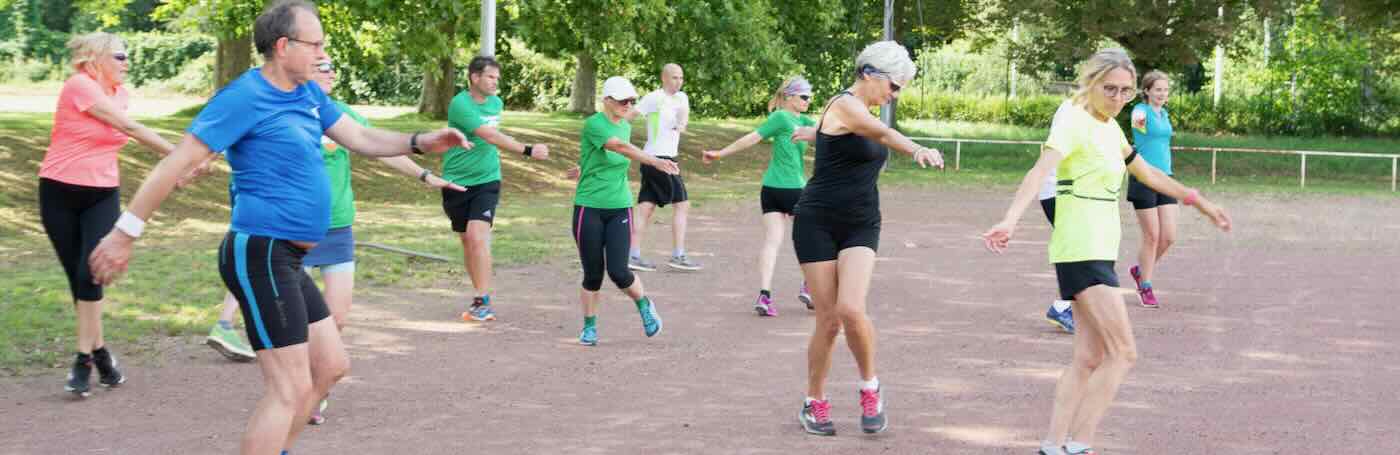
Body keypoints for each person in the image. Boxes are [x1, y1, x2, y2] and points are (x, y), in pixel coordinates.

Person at [87, 1, 470, 453]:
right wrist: (124, 232)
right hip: (260, 253)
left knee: (330, 366)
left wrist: (421, 141)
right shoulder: (244, 97)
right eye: (316, 44)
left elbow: (362, 137)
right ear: (284, 46)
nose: (323, 54)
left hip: (288, 257)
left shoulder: (308, 93)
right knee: (288, 388)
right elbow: (176, 163)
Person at [980, 49, 1231, 455]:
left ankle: (1053, 445)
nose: (1117, 97)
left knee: (1089, 356)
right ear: (1091, 83)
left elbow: (1146, 172)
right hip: (1081, 248)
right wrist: (1010, 219)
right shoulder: (1074, 121)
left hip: (1096, 248)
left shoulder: (1110, 127)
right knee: (1124, 353)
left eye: (1125, 91)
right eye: (1109, 88)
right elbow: (1039, 171)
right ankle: (1079, 445)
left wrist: (1197, 200)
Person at [792, 41, 944, 436]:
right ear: (869, 74)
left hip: (861, 222)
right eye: (893, 87)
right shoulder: (844, 104)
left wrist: (813, 134)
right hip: (817, 221)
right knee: (827, 320)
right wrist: (916, 148)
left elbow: (848, 137)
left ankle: (870, 387)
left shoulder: (854, 113)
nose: (894, 96)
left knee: (851, 309)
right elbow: (876, 131)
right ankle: (814, 400)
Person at [39, 31, 177, 397]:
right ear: (95, 58)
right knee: (79, 281)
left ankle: (82, 360)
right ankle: (101, 354)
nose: (126, 62)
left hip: (102, 193)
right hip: (58, 192)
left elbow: (120, 131)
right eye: (119, 56)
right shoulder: (78, 86)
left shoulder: (121, 95)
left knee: (92, 272)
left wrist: (174, 163)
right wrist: (178, 157)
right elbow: (128, 128)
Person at [570, 76, 677, 346]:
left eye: (631, 100)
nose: (627, 105)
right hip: (589, 208)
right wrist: (654, 161)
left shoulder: (625, 127)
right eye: (622, 101)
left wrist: (584, 166)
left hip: (619, 207)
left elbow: (613, 153)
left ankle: (644, 305)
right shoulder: (594, 123)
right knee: (593, 273)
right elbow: (617, 147)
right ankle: (589, 326)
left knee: (619, 271)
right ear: (606, 101)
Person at [442, 55, 551, 322]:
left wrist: (525, 150)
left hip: (487, 180)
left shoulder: (496, 103)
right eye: (490, 77)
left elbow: (493, 139)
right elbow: (488, 135)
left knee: (477, 236)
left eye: (497, 78)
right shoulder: (460, 104)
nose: (495, 83)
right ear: (474, 77)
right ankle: (478, 295)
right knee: (467, 242)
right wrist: (527, 149)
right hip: (456, 180)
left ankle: (482, 299)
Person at [702, 76, 817, 316]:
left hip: (771, 189)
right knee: (808, 239)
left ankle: (765, 295)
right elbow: (752, 138)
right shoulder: (781, 117)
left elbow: (829, 132)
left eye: (810, 96)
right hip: (794, 189)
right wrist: (720, 153)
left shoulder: (803, 120)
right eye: (804, 96)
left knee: (773, 240)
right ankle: (809, 287)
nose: (808, 100)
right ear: (789, 97)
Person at [629, 63, 702, 272]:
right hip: (658, 159)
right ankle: (678, 255)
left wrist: (682, 123)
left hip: (667, 158)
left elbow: (684, 116)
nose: (678, 82)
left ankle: (632, 255)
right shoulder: (654, 98)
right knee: (682, 204)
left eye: (681, 78)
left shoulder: (682, 98)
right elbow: (630, 116)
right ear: (664, 78)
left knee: (646, 207)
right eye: (674, 78)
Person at [1127, 70, 1176, 309]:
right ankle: (1145, 285)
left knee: (1168, 237)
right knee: (1152, 236)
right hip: (1144, 176)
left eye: (1165, 90)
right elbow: (1138, 135)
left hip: (1165, 177)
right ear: (1146, 90)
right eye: (1158, 90)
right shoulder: (1140, 111)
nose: (1163, 94)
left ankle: (1139, 270)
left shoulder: (1164, 113)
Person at [1041, 102, 1076, 334]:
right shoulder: (1075, 109)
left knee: (1080, 247)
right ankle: (1063, 306)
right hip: (1059, 189)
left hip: (1073, 191)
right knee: (1076, 247)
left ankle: (1069, 305)